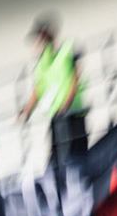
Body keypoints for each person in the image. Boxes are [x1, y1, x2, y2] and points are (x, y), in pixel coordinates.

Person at [19, 16, 87, 167]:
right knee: (56, 156)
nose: (37, 43)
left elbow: (75, 77)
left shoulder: (67, 50)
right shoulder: (42, 62)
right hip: (57, 115)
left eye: (39, 38)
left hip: (73, 113)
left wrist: (67, 103)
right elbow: (39, 88)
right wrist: (27, 111)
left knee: (77, 153)